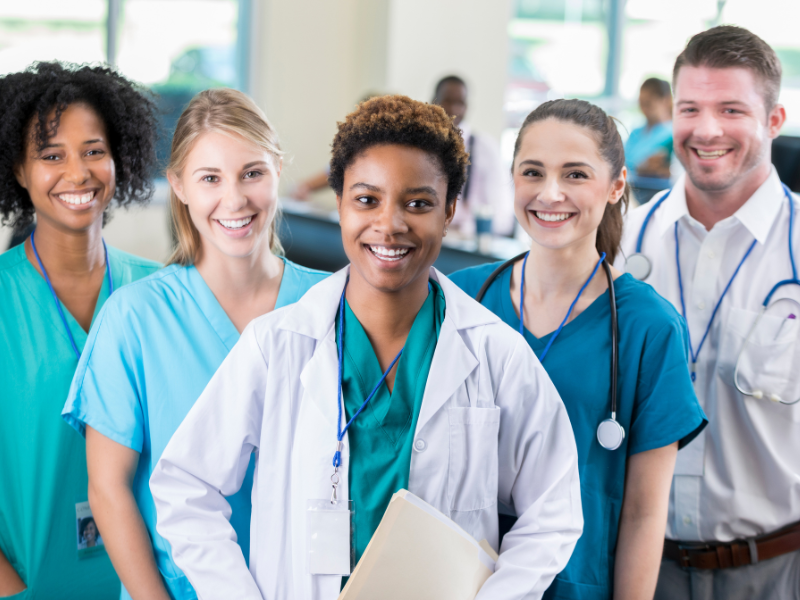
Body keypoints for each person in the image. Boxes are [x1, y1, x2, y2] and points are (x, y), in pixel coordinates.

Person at [149, 95, 583, 599]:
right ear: (339, 205)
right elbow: (185, 486)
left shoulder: (496, 354)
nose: (390, 224)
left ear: (449, 211)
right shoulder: (278, 346)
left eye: (418, 203)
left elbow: (553, 513)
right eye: (367, 200)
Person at [61, 88, 328, 600]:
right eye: (210, 178)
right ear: (179, 185)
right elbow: (109, 490)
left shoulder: (331, 305)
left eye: (253, 172)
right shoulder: (135, 317)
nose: (235, 199)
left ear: (277, 171)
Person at [449, 99, 707, 600]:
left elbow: (643, 513)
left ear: (615, 187)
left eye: (575, 174)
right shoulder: (461, 299)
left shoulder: (647, 327)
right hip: (459, 579)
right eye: (533, 171)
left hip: (572, 586)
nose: (550, 193)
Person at [618, 26, 800, 599]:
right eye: (690, 108)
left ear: (774, 121)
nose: (707, 129)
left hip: (777, 570)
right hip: (641, 568)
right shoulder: (620, 245)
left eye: (732, 109)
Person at [0, 62, 161, 599]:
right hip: (31, 583)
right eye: (52, 155)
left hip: (143, 585)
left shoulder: (161, 294)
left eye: (94, 150)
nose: (79, 172)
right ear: (19, 171)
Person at [433, 75, 516, 237]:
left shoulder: (485, 148)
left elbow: (503, 217)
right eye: (447, 101)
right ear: (433, 102)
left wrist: (465, 228)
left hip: (468, 242)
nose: (454, 110)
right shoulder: (421, 147)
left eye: (460, 103)